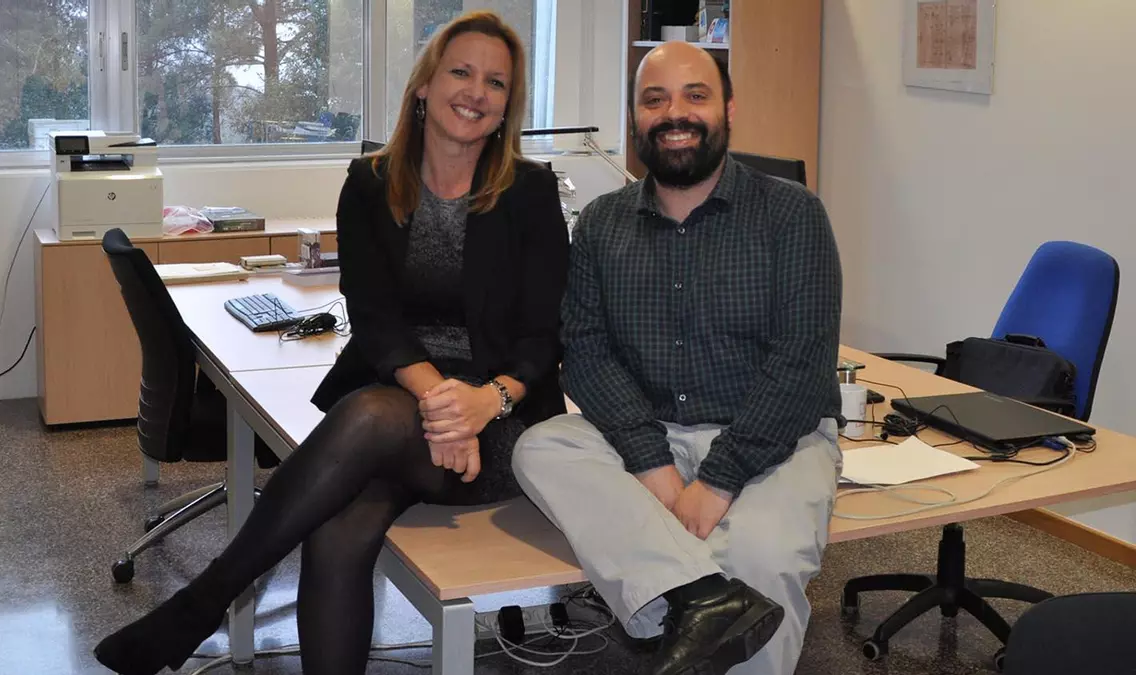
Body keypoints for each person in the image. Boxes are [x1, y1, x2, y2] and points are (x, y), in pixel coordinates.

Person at [93, 11, 569, 675]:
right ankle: (201, 606)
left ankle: (203, 601)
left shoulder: (531, 191)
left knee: (367, 419)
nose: (476, 91)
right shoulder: (371, 183)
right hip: (410, 407)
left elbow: (546, 334)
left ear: (507, 105)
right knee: (338, 527)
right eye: (461, 71)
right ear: (425, 85)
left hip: (497, 422)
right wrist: (442, 404)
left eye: (496, 82)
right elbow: (373, 318)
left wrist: (483, 404)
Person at [511, 41, 843, 675]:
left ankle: (687, 593)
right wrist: (655, 468)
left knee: (762, 555)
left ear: (728, 109)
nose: (675, 114)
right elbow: (587, 352)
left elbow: (800, 365)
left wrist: (717, 483)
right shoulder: (601, 223)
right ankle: (702, 599)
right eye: (654, 99)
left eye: (696, 95)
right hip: (649, 434)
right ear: (635, 117)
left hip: (773, 439)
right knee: (542, 447)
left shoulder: (792, 214)